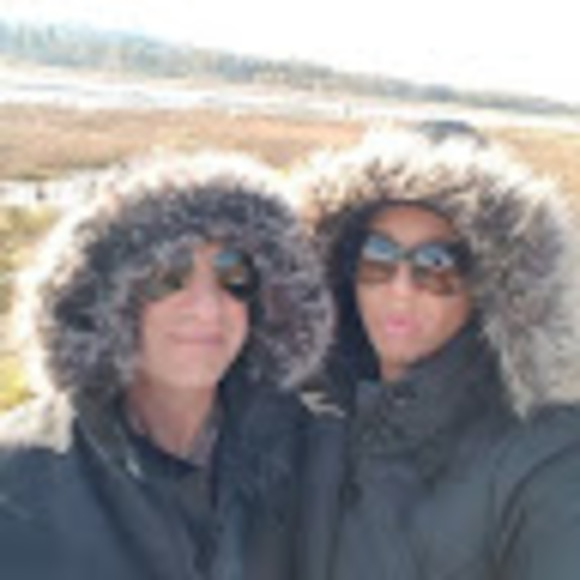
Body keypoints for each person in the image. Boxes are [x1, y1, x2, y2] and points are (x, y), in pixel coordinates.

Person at [0, 152, 333, 580]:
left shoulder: (310, 453)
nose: (207, 308)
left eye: (234, 274)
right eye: (169, 276)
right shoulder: (20, 475)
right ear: (107, 297)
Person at [294, 126, 580, 580]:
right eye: (377, 256)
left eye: (437, 264)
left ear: (490, 286)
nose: (400, 289)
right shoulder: (302, 421)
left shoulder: (545, 459)